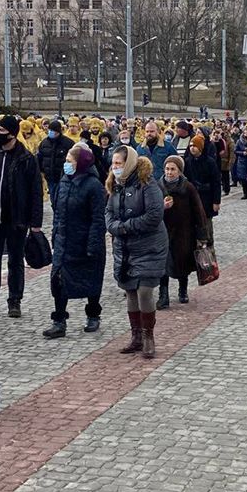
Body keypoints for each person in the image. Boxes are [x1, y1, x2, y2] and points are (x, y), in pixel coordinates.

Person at [0, 115, 43, 320]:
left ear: (12, 134)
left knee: (15, 260)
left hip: (16, 218)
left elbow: (35, 191)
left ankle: (15, 300)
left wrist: (35, 223)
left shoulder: (26, 158)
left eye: (2, 131)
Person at [105, 147, 167, 360]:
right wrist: (114, 226)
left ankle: (149, 336)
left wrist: (127, 226)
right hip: (125, 247)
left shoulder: (147, 184)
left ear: (129, 163)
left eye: (119, 163)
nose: (115, 167)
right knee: (130, 290)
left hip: (149, 246)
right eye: (113, 163)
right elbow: (109, 211)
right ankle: (136, 335)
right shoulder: (116, 185)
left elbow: (154, 215)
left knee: (144, 290)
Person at [44, 145, 106, 339]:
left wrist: (93, 244)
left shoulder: (94, 185)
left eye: (70, 161)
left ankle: (93, 314)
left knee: (91, 278)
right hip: (64, 241)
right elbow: (58, 212)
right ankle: (59, 321)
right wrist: (55, 234)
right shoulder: (64, 182)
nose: (66, 164)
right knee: (59, 280)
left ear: (80, 163)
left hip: (85, 241)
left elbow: (98, 219)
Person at [159, 156, 208, 305]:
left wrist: (202, 235)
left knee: (183, 262)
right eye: (167, 169)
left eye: (173, 169)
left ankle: (183, 290)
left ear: (180, 171)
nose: (169, 172)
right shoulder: (158, 186)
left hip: (184, 232)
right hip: (163, 232)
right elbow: (151, 208)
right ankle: (163, 295)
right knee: (163, 264)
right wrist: (162, 206)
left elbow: (198, 211)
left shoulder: (188, 187)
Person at [183, 135, 222, 249]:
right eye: (191, 145)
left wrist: (216, 201)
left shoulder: (210, 162)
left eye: (195, 146)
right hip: (192, 197)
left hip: (207, 197)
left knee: (206, 225)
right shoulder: (187, 162)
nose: (192, 148)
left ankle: (209, 249)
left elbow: (216, 182)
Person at [37, 120, 75, 214]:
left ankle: (61, 216)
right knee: (53, 200)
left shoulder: (68, 143)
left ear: (58, 131)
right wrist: (41, 171)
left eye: (53, 131)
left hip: (64, 177)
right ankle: (57, 216)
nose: (50, 132)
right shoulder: (44, 143)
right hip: (50, 177)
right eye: (50, 130)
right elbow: (39, 158)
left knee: (62, 200)